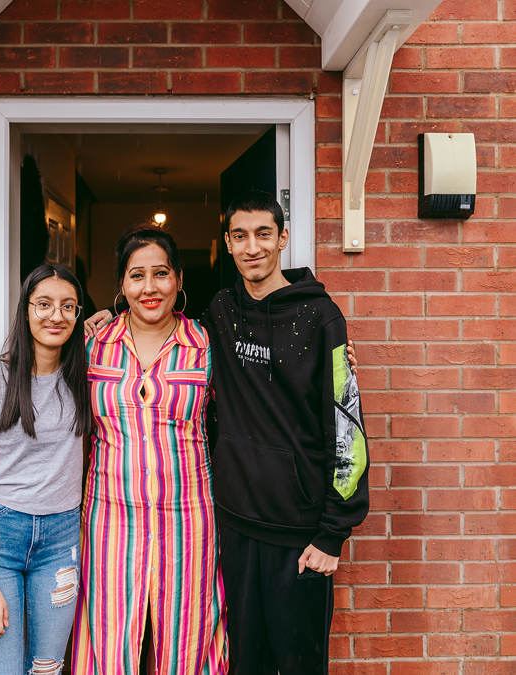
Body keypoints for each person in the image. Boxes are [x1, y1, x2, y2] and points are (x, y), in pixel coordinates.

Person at [86, 191, 367, 675]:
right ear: (228, 244)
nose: (252, 246)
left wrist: (332, 532)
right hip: (234, 527)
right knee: (243, 663)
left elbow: (347, 426)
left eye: (263, 234)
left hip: (296, 531)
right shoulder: (219, 314)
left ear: (282, 238)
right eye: (240, 236)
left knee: (300, 664)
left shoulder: (320, 319)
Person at [0, 226, 228, 675]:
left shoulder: (208, 346)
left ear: (178, 279)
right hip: (108, 523)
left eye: (161, 273)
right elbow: (29, 367)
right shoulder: (90, 347)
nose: (149, 286)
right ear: (121, 284)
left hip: (188, 521)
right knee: (106, 644)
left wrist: (329, 360)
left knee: (189, 643)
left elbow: (260, 398)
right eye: (136, 275)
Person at [0, 264, 90, 675]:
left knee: (47, 668)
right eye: (43, 304)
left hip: (60, 541)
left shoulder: (88, 376)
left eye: (68, 306)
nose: (56, 316)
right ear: (25, 310)